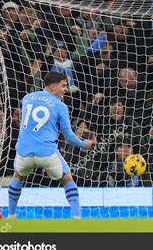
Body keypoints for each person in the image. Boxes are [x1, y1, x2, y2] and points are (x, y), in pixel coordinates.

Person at [8, 71, 94, 219]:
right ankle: (77, 216)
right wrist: (83, 144)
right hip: (46, 153)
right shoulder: (60, 106)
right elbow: (69, 137)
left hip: (24, 153)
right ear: (53, 87)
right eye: (63, 86)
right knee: (67, 179)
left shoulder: (27, 98)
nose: (66, 89)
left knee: (17, 177)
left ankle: (11, 215)